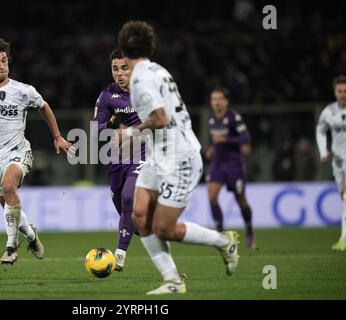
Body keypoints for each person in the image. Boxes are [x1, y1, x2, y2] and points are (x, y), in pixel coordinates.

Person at [117, 20, 240, 295]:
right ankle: (173, 280)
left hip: (179, 157)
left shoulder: (140, 78)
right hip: (159, 153)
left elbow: (160, 118)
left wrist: (131, 131)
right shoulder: (158, 69)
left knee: (164, 228)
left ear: (123, 50)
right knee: (139, 215)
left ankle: (223, 241)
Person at [0, 38, 72, 264]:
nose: (2, 66)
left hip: (19, 150)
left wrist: (57, 136)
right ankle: (30, 234)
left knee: (9, 185)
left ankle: (10, 247)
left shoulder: (23, 90)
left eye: (5, 61)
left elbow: (44, 107)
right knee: (11, 205)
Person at [94, 49, 145, 271]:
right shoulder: (107, 96)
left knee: (127, 197)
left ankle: (120, 254)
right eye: (115, 68)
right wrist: (111, 124)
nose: (119, 73)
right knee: (121, 203)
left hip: (142, 155)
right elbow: (96, 130)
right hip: (116, 159)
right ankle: (142, 227)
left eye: (124, 68)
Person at [206, 87, 255, 249]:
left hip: (234, 165)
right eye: (214, 99)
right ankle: (220, 235)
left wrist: (225, 139)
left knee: (241, 200)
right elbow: (216, 140)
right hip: (218, 164)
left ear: (226, 101)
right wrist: (212, 148)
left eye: (220, 99)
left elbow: (245, 137)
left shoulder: (234, 117)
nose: (217, 102)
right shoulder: (212, 118)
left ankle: (249, 231)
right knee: (212, 196)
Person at [316, 75, 346, 252]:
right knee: (343, 198)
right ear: (335, 92)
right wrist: (323, 152)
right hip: (337, 162)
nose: (343, 94)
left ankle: (343, 238)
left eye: (345, 91)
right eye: (340, 91)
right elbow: (320, 131)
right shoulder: (329, 112)